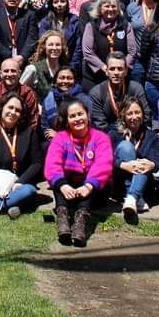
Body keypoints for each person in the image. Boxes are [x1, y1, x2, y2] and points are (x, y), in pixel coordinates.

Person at [45, 98, 114, 246]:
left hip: (94, 191)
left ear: (87, 115)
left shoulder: (101, 138)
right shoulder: (60, 138)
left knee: (91, 180)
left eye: (80, 114)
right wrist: (63, 185)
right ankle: (62, 217)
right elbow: (52, 165)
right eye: (72, 116)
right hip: (68, 191)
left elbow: (103, 164)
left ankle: (81, 221)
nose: (77, 119)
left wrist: (88, 186)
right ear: (67, 120)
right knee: (58, 179)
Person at [109, 97, 159, 223]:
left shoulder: (151, 135)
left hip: (145, 184)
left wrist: (152, 164)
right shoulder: (114, 133)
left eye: (137, 112)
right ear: (123, 115)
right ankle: (135, 197)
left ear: (142, 114)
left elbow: (157, 159)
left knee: (144, 162)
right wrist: (122, 165)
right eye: (130, 113)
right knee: (126, 147)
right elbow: (105, 159)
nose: (134, 117)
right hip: (119, 182)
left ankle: (132, 198)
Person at [81, 0, 136, 90]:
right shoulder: (91, 26)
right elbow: (88, 52)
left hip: (120, 76)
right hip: (95, 77)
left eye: (113, 6)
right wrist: (105, 68)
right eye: (107, 6)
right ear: (100, 9)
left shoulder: (126, 25)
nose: (110, 9)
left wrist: (121, 69)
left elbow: (132, 51)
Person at [88, 51, 149, 132]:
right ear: (106, 71)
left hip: (135, 131)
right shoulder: (96, 93)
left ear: (126, 71)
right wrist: (120, 133)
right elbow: (100, 125)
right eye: (112, 69)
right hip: (109, 135)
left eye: (120, 69)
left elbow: (146, 115)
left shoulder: (136, 88)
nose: (116, 73)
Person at [0, 57, 41, 129]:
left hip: (22, 132)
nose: (9, 74)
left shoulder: (28, 93)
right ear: (1, 74)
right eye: (6, 71)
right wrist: (5, 129)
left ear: (19, 73)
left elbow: (33, 121)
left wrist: (16, 131)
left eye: (13, 71)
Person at [42, 66, 91, 143]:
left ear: (75, 81)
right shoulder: (48, 100)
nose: (65, 81)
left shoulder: (84, 100)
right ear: (55, 80)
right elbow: (45, 127)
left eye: (69, 78)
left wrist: (62, 138)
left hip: (81, 141)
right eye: (62, 78)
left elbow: (90, 125)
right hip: (55, 142)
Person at [21, 29, 67, 102]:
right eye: (51, 45)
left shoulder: (65, 69)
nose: (54, 48)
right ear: (44, 47)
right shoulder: (33, 69)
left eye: (58, 45)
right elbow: (20, 92)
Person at [38, 0, 80, 65]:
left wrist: (73, 66)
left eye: (62, 1)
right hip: (50, 62)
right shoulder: (46, 22)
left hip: (70, 62)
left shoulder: (75, 20)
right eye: (56, 2)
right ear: (52, 4)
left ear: (67, 3)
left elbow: (78, 46)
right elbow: (43, 44)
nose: (59, 4)